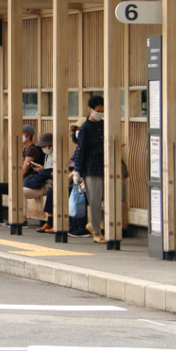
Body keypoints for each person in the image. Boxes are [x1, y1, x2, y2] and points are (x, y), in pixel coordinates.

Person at [0, 125, 44, 226]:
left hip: (29, 183)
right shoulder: (26, 149)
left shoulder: (32, 149)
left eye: (20, 133)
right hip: (26, 182)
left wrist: (14, 181)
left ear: (28, 135)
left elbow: (24, 170)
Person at [72, 95, 106, 244]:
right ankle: (96, 231)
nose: (100, 113)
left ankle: (93, 225)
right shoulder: (85, 128)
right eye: (98, 110)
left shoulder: (104, 124)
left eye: (102, 110)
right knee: (95, 201)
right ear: (90, 110)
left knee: (108, 201)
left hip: (106, 167)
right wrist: (77, 171)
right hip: (92, 168)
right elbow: (81, 150)